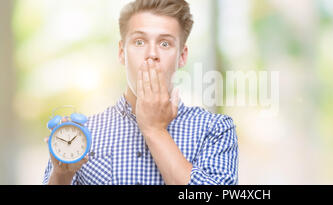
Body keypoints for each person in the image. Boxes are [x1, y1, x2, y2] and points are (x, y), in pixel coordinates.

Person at [43, 0, 238, 185]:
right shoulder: (81, 136)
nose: (151, 54)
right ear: (121, 52)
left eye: (165, 44)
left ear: (182, 56)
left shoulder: (216, 130)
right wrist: (61, 175)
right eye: (139, 42)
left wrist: (155, 130)